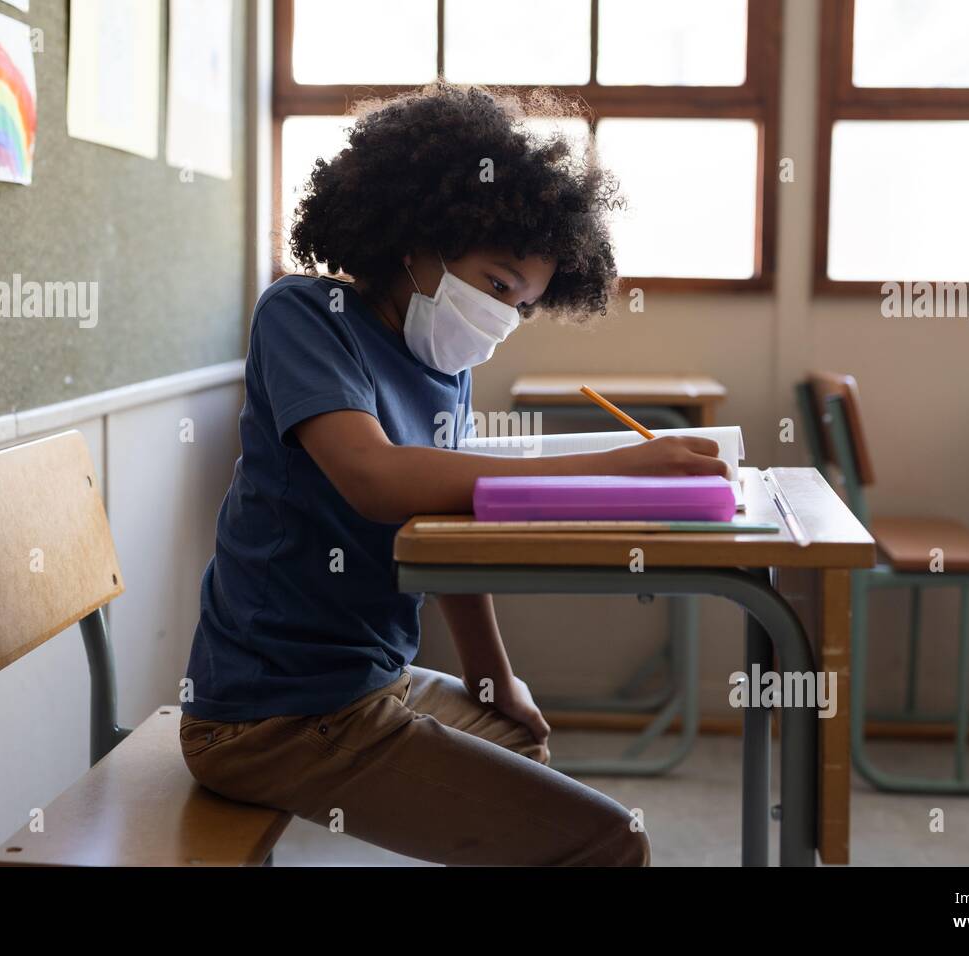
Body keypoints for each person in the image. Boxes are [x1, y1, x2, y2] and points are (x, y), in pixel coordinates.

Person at [179, 83, 728, 866]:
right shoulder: (304, 316)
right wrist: (621, 462)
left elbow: (452, 527)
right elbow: (376, 478)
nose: (503, 315)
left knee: (515, 731)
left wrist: (491, 674)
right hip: (269, 716)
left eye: (525, 305)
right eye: (498, 285)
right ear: (419, 240)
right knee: (611, 843)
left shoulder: (444, 366)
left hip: (371, 682)